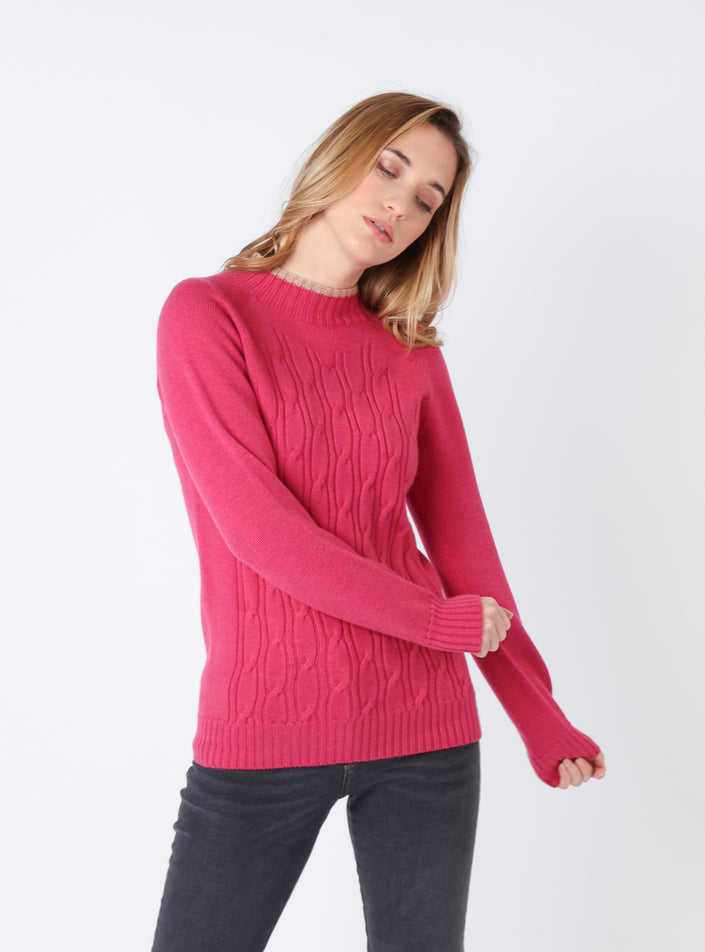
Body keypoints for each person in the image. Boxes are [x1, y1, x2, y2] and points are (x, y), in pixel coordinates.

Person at [150, 91, 606, 952]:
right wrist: (433, 622)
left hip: (425, 731)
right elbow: (258, 530)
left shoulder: (409, 353)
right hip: (265, 724)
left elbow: (465, 546)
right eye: (388, 168)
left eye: (427, 199)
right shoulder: (208, 315)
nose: (399, 204)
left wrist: (537, 712)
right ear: (338, 157)